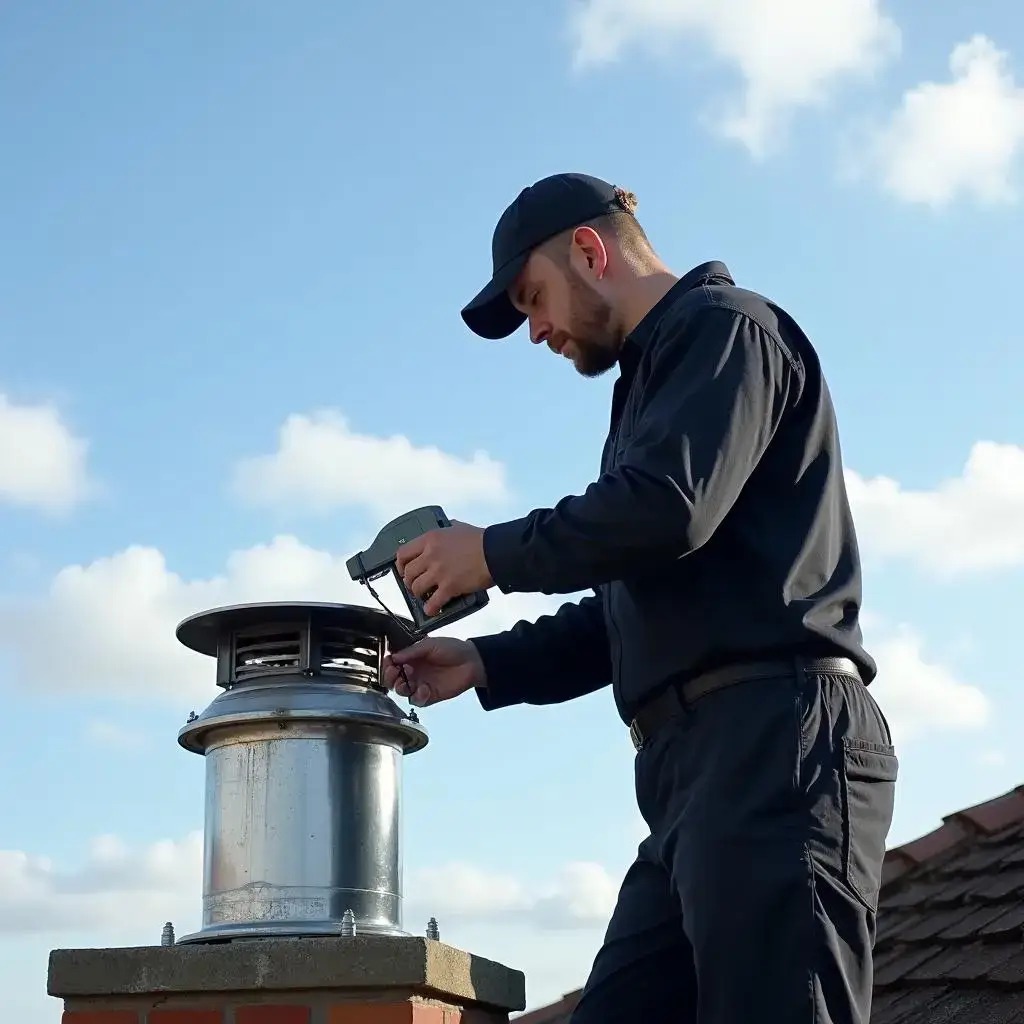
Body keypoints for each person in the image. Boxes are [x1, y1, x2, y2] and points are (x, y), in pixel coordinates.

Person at [382, 172, 898, 1023]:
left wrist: (491, 552)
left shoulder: (725, 330)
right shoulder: (656, 382)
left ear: (590, 250)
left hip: (776, 746)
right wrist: (485, 660)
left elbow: (666, 510)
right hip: (691, 774)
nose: (535, 330)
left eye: (532, 298)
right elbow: (633, 594)